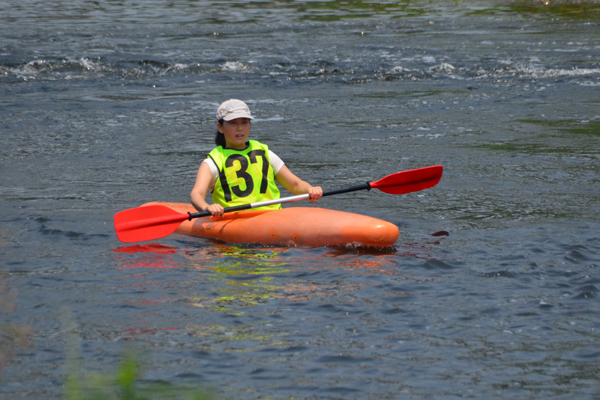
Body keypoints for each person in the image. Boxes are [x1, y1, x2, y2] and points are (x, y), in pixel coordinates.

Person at [191, 99, 323, 217]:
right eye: (233, 123)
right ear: (220, 127)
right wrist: (207, 207)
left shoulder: (265, 153)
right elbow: (197, 194)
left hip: (273, 216)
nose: (240, 128)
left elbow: (295, 185)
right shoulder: (213, 162)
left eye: (244, 122)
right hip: (235, 221)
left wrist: (309, 190)